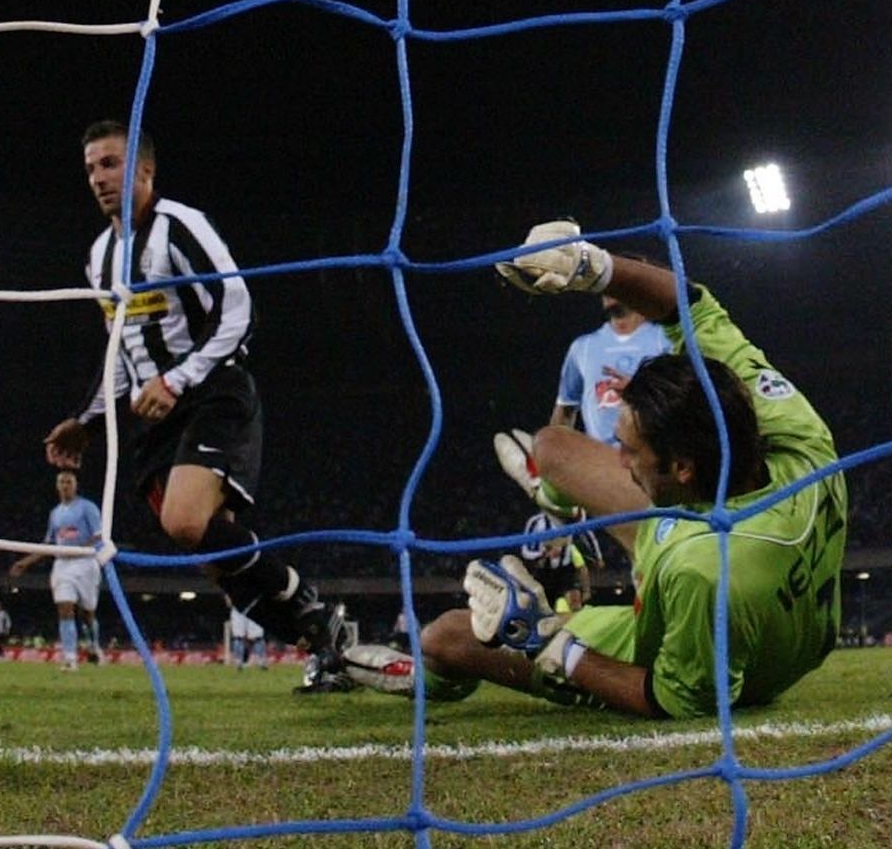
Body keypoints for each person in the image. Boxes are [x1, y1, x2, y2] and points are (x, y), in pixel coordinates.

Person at [331, 221, 848, 718]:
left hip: (740, 652)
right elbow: (692, 305)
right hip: (752, 564)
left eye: (631, 451)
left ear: (683, 467)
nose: (618, 461)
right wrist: (590, 266)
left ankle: (428, 676)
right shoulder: (800, 436)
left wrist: (548, 644)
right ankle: (555, 495)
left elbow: (679, 700)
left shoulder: (703, 572)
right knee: (552, 448)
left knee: (444, 637)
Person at [41, 119, 344, 688]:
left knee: (185, 522)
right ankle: (323, 642)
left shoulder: (182, 226)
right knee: (217, 562)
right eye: (90, 169)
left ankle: (306, 598)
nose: (99, 178)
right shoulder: (99, 256)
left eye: (111, 164)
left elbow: (238, 308)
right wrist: (86, 421)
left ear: (145, 170)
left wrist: (179, 379)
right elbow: (122, 352)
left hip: (213, 392)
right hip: (156, 420)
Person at [493, 287, 669, 520]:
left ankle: (557, 509)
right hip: (601, 465)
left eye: (619, 282)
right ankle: (553, 500)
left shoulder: (664, 340)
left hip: (653, 464)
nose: (610, 287)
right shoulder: (583, 347)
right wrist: (554, 464)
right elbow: (565, 411)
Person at [8, 471, 105, 671]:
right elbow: (49, 543)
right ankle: (70, 658)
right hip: (62, 565)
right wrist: (25, 562)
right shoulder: (55, 513)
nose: (65, 485)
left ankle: (94, 645)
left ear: (75, 485)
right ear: (57, 486)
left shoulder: (87, 507)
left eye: (69, 481)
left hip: (85, 563)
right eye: (61, 482)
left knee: (87, 614)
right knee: (65, 609)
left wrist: (80, 549)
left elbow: (99, 536)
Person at [518, 511, 597, 614]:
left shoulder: (571, 548)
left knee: (574, 599)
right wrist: (544, 554)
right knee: (544, 607)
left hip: (565, 571)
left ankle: (577, 624)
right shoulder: (537, 523)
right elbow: (525, 551)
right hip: (544, 572)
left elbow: (582, 568)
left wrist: (587, 590)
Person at [226, 597, 269, 670]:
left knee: (254, 637)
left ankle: (240, 662)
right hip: (247, 606)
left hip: (248, 606)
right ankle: (260, 662)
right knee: (241, 637)